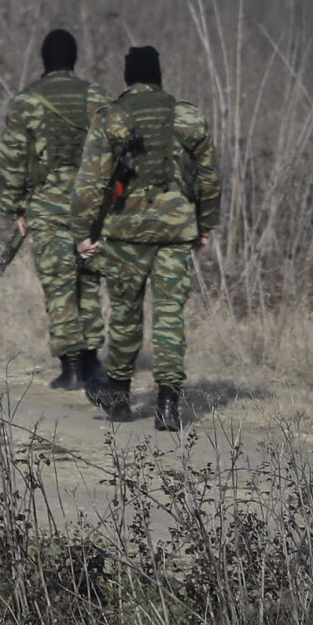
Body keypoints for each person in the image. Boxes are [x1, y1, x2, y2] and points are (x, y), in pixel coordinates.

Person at [70, 45, 221, 432]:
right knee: (170, 316)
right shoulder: (188, 116)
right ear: (158, 76)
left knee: (125, 313)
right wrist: (205, 224)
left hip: (126, 232)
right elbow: (208, 177)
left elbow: (91, 182)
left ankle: (118, 396)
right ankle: (167, 404)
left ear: (127, 77)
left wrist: (83, 234)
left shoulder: (110, 118)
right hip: (175, 233)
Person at [0, 30, 111, 392]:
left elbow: (12, 158)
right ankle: (93, 362)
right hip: (92, 207)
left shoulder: (26, 102)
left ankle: (71, 367)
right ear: (74, 60)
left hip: (46, 206)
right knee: (89, 282)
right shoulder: (99, 98)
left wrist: (15, 206)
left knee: (60, 285)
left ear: (43, 61)